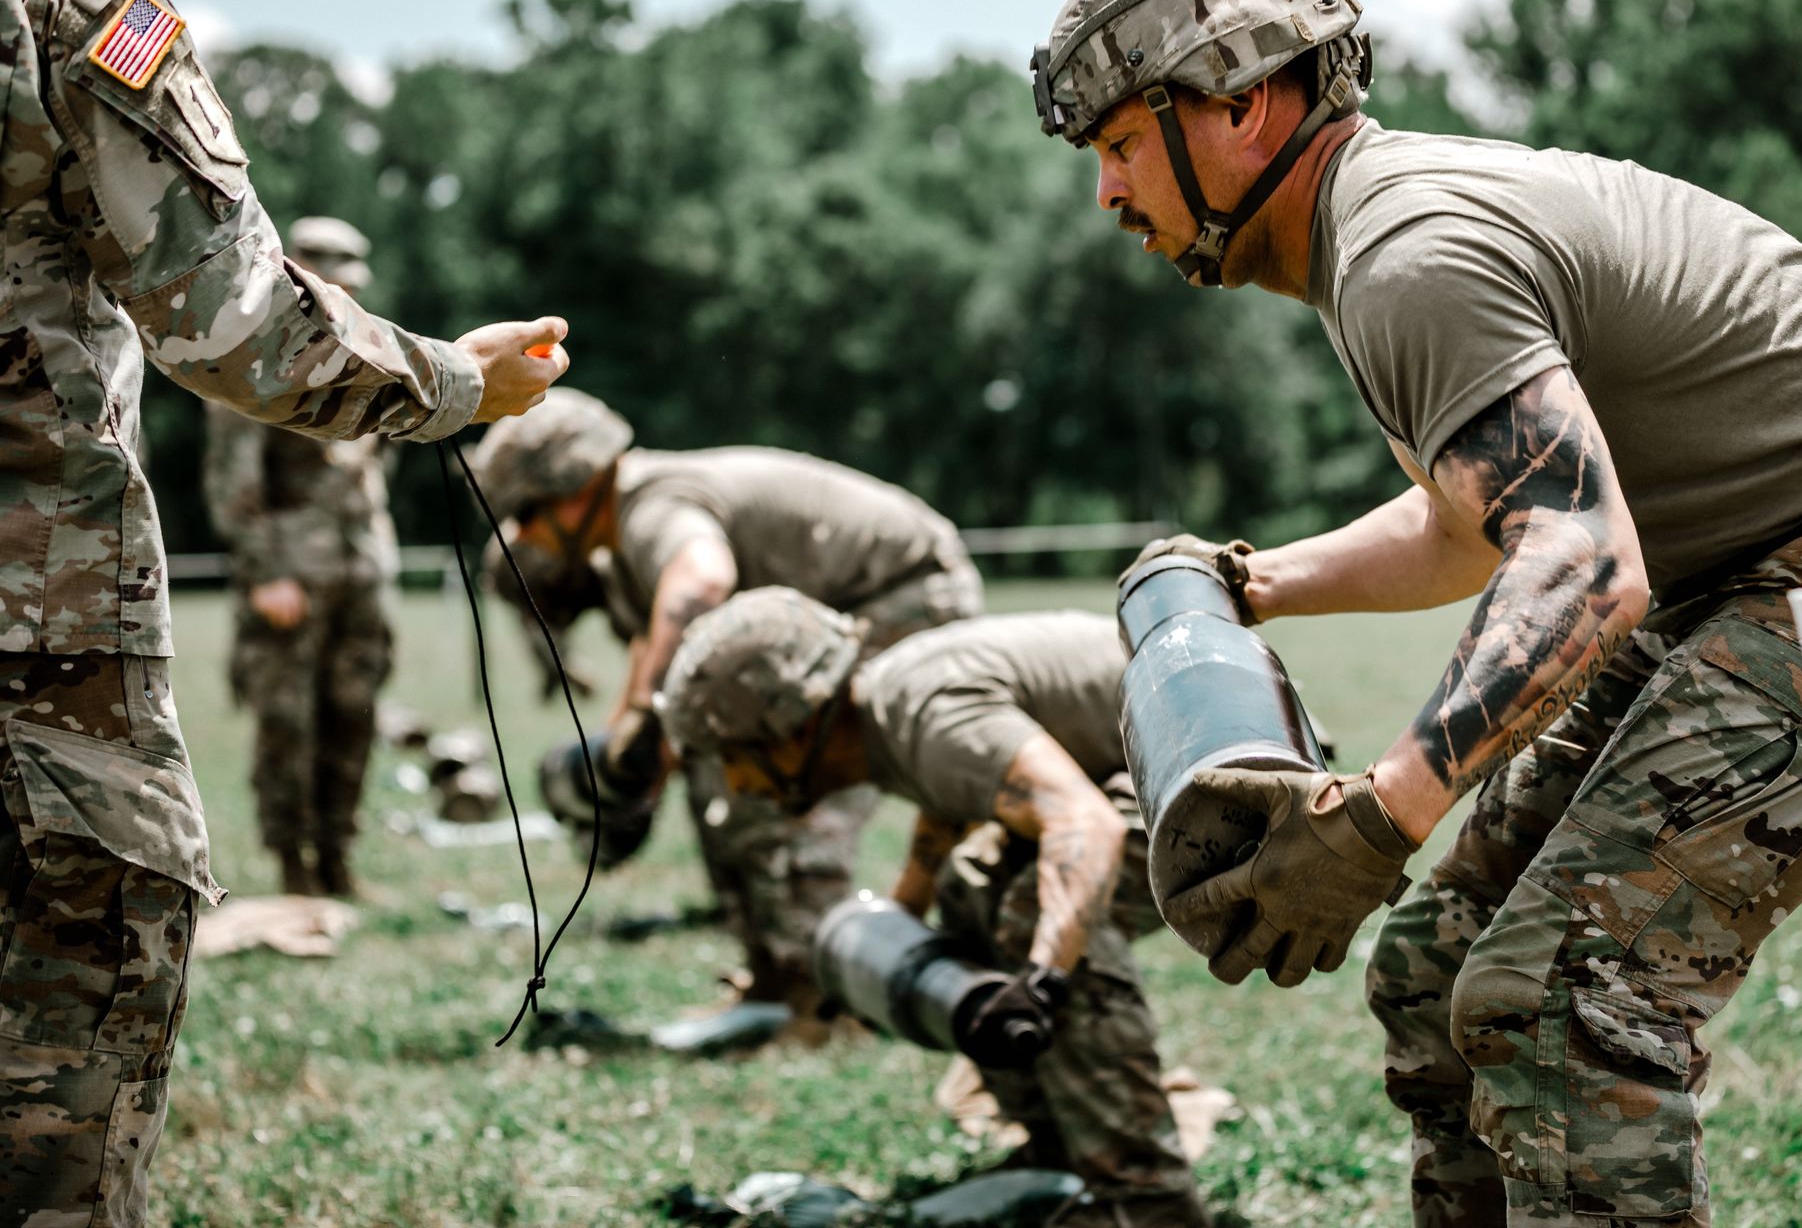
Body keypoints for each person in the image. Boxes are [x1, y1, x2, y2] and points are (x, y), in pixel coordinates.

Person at [1033, 0, 1802, 1226]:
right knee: (1437, 969)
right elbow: (1480, 528)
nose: (1109, 192)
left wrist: (1377, 815)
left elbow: (1577, 563)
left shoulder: (1407, 253)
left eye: (1122, 143)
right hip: (1765, 567)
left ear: (1250, 100)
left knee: (1561, 1001)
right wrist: (1256, 582)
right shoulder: (1378, 238)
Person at [0, 0, 569, 1219]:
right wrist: (451, 380)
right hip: (33, 642)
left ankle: (326, 872)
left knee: (345, 723)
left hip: (307, 576)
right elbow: (234, 321)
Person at [657, 591, 1210, 1228]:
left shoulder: (922, 714)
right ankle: (1059, 1151)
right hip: (1168, 754)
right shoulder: (888, 712)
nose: (739, 783)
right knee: (969, 887)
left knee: (1038, 916)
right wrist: (889, 938)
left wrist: (1042, 982)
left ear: (796, 724)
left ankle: (1147, 1199)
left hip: (1229, 764)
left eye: (738, 755)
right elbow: (946, 815)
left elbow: (1083, 823)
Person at [468, 388, 982, 1010]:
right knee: (719, 765)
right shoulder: (624, 535)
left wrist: (642, 716)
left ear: (570, 492)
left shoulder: (651, 505)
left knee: (789, 774)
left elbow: (701, 581)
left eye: (525, 515)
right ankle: (773, 973)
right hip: (849, 609)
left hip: (906, 596)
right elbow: (654, 657)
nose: (524, 535)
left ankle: (818, 999)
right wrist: (635, 756)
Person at [202, 217, 396, 897]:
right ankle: (293, 865)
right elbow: (233, 477)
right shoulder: (251, 352)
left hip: (362, 566)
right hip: (292, 573)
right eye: (334, 282)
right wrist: (266, 572)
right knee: (288, 720)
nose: (346, 294)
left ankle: (338, 857)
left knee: (354, 712)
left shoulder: (365, 350)